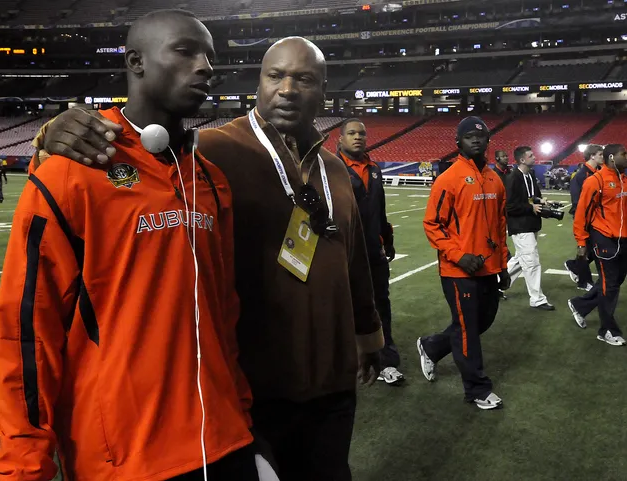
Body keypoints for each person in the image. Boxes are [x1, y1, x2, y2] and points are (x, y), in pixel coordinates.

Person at [28, 35, 384, 481]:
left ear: (324, 91)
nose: (287, 89)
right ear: (259, 82)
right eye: (275, 76)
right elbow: (129, 156)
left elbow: (353, 258)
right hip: (252, 386)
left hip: (332, 385)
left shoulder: (335, 169)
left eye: (304, 79)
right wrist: (56, 132)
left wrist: (369, 336)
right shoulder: (209, 151)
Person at [0, 11, 259, 481]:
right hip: (125, 459)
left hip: (224, 442)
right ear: (135, 61)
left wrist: (241, 416)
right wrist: (21, 466)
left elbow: (223, 313)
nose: (205, 67)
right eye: (185, 50)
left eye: (211, 57)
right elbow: (28, 331)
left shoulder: (212, 182)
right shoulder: (71, 171)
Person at [419, 117, 510, 410]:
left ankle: (431, 346)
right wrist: (458, 255)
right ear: (458, 142)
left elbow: (500, 225)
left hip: (489, 268)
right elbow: (432, 224)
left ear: (488, 142)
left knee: (480, 323)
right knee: (468, 328)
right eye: (468, 136)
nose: (475, 140)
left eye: (480, 136)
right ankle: (477, 389)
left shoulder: (495, 179)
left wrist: (504, 264)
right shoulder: (449, 178)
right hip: (458, 271)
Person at [337, 118, 404, 385]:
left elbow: (381, 210)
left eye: (361, 134)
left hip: (373, 252)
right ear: (339, 139)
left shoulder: (374, 169)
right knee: (342, 308)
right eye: (351, 133)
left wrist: (387, 240)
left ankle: (386, 360)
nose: (357, 137)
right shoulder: (331, 168)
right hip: (343, 253)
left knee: (380, 305)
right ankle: (347, 358)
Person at [568, 144, 627, 346]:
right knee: (609, 285)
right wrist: (581, 242)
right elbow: (582, 213)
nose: (626, 157)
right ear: (612, 157)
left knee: (614, 281)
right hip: (603, 238)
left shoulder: (623, 178)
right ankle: (607, 330)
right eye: (623, 154)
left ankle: (580, 305)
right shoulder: (595, 181)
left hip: (623, 239)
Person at [505, 146, 555, 310]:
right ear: (522, 160)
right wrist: (530, 208)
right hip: (520, 225)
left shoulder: (530, 175)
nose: (534, 157)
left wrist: (542, 201)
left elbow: (532, 197)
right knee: (532, 261)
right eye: (531, 155)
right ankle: (537, 299)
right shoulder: (513, 178)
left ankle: (496, 285)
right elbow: (509, 206)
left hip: (531, 223)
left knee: (521, 259)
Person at [564, 144, 604, 291]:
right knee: (587, 250)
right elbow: (577, 202)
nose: (602, 157)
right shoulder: (581, 175)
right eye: (600, 154)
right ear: (592, 156)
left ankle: (573, 266)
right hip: (586, 219)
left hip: (597, 219)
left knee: (594, 249)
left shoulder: (598, 172)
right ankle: (584, 281)